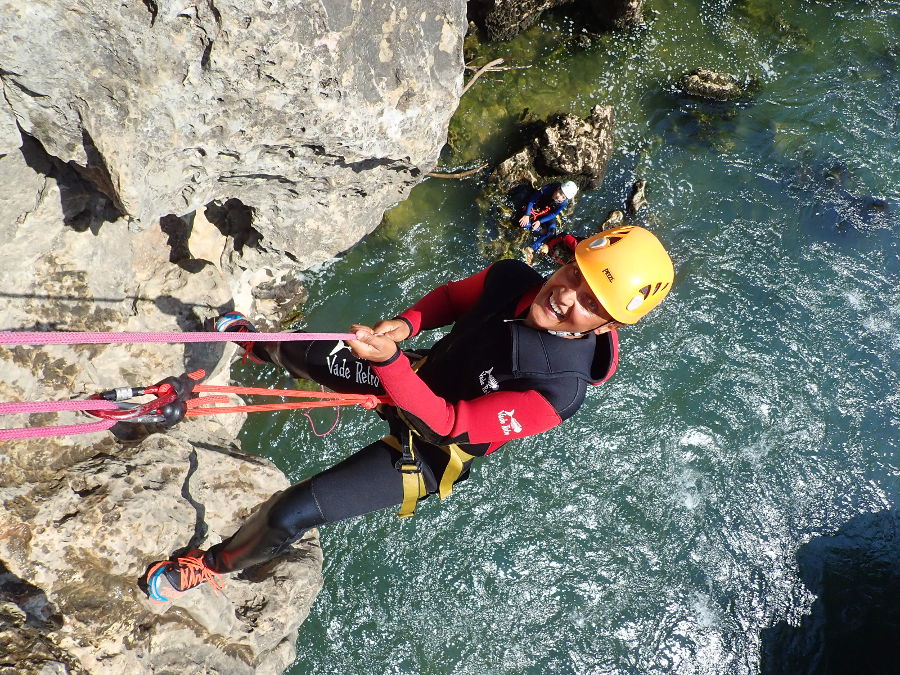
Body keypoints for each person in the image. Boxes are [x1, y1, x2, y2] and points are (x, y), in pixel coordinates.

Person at [144, 225, 674, 603]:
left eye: (590, 302)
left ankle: (209, 566)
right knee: (300, 349)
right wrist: (405, 325)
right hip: (415, 373)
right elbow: (448, 299)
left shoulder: (559, 392)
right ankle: (257, 346)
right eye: (575, 274)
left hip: (428, 452)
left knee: (291, 513)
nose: (566, 295)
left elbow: (449, 423)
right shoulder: (514, 279)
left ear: (605, 326)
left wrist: (393, 364)